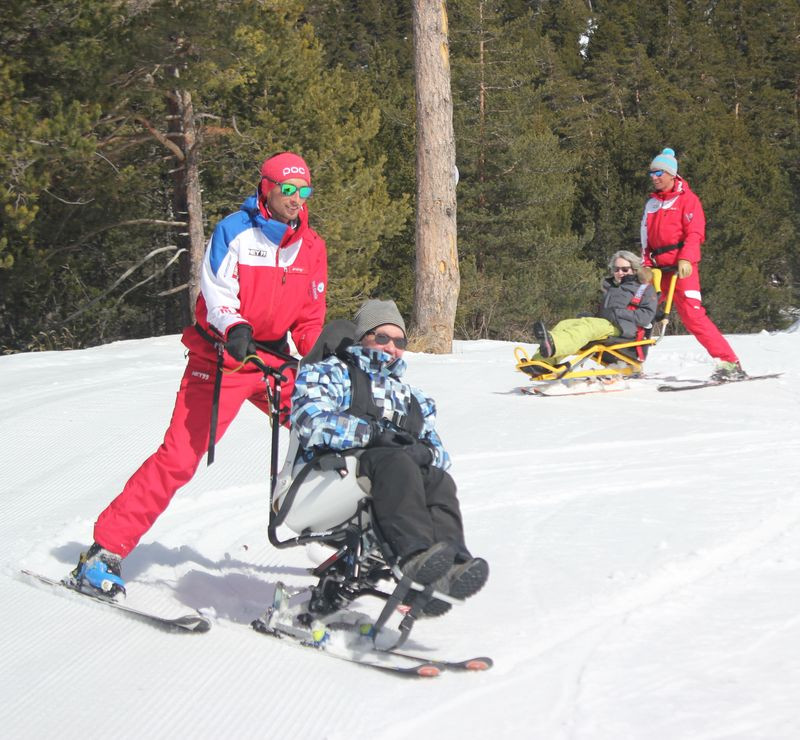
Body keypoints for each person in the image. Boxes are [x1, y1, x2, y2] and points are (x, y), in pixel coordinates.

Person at [73, 152, 328, 595]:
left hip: (271, 360)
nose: (296, 199)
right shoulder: (234, 231)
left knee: (329, 431)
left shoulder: (311, 247)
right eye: (288, 189)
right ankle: (104, 551)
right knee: (178, 458)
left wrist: (323, 353)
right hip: (222, 358)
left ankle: (340, 546)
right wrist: (235, 328)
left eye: (304, 191)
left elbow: (309, 318)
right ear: (266, 187)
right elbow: (217, 294)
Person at [290, 299, 489, 615]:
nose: (391, 347)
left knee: (437, 479)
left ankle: (449, 566)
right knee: (395, 461)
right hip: (325, 481)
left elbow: (440, 453)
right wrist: (371, 435)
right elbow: (308, 420)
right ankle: (413, 558)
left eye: (399, 341)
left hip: (381, 485)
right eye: (382, 337)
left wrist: (424, 451)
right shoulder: (332, 373)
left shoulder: (412, 398)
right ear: (363, 338)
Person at [640, 147, 745, 380]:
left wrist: (687, 258)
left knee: (692, 315)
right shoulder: (652, 204)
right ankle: (629, 361)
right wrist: (645, 264)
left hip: (682, 268)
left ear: (671, 174)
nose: (654, 178)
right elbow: (645, 238)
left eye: (658, 173)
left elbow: (695, 233)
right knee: (641, 311)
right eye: (651, 174)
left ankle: (729, 363)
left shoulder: (688, 200)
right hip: (658, 270)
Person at [531, 250, 657, 365]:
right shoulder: (612, 289)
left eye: (625, 269)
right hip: (606, 326)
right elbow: (603, 316)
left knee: (588, 327)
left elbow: (645, 318)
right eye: (616, 269)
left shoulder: (644, 288)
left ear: (634, 270)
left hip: (625, 331)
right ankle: (541, 362)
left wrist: (616, 313)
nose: (620, 273)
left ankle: (554, 347)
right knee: (566, 324)